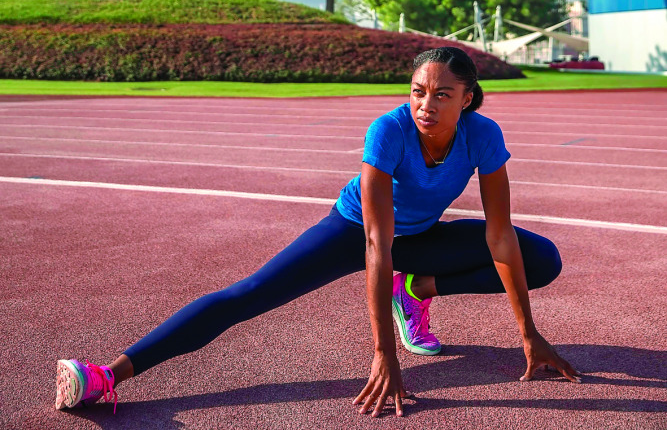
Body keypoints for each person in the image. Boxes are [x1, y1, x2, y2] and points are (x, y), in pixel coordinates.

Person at [55, 46, 580, 418]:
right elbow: (376, 243)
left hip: (420, 239)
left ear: (467, 99)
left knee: (541, 259)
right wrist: (384, 352)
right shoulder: (389, 130)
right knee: (249, 295)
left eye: (443, 95)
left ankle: (418, 288)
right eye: (419, 92)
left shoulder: (483, 136)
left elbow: (499, 235)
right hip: (354, 230)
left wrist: (528, 334)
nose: (427, 105)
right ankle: (109, 374)